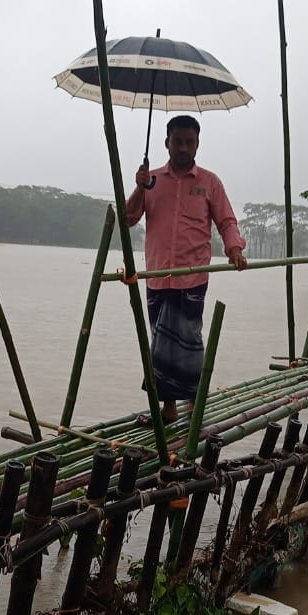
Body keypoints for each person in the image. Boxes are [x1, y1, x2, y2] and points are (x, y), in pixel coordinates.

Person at [125, 115, 247, 423]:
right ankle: (167, 409)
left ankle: (193, 400)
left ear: (197, 144)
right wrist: (139, 188)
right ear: (166, 143)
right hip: (156, 277)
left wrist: (234, 249)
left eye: (189, 142)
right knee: (161, 345)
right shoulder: (150, 180)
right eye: (177, 141)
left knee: (189, 340)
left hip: (192, 277)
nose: (183, 147)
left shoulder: (209, 182)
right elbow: (128, 218)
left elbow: (226, 221)